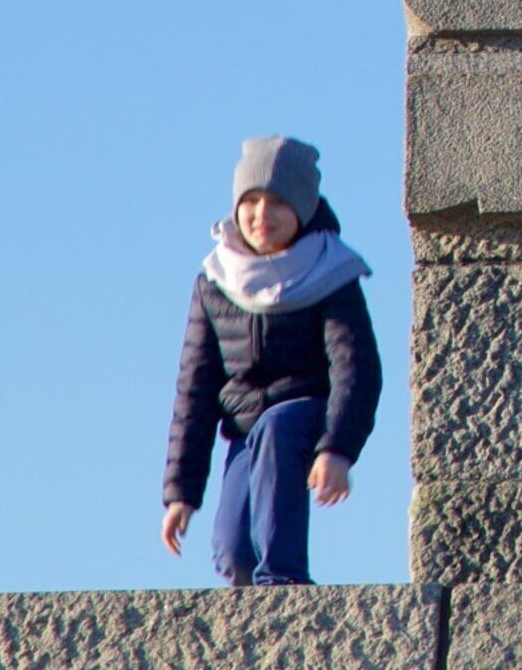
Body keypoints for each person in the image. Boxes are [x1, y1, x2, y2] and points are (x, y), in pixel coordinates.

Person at [160, 136, 380, 586]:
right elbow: (194, 391)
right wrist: (181, 492)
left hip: (305, 415)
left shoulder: (331, 271)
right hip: (246, 431)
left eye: (279, 202)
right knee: (234, 554)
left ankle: (286, 583)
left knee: (277, 428)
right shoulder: (215, 282)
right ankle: (258, 608)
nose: (263, 214)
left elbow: (356, 369)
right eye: (252, 200)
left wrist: (337, 449)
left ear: (302, 208)